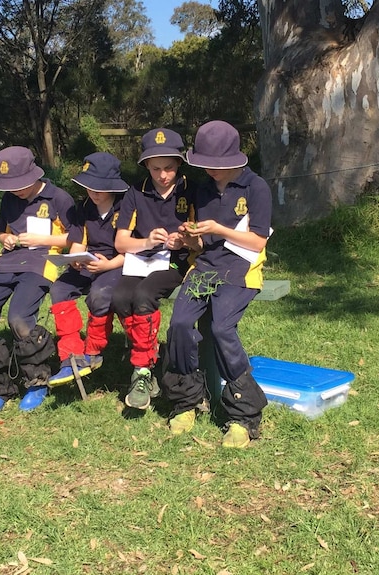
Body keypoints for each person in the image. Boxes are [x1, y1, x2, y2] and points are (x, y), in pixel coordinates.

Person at [161, 120, 271, 448]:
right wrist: (185, 240)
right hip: (205, 268)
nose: (211, 172)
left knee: (223, 328)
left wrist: (220, 229)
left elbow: (258, 242)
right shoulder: (203, 188)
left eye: (217, 166)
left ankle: (243, 414)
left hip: (241, 269)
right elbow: (201, 246)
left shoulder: (256, 188)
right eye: (205, 166)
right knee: (179, 323)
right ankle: (187, 401)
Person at [0, 146, 75, 414]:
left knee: (19, 320)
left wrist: (43, 240)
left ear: (35, 174)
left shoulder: (59, 198)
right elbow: (2, 233)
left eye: (21, 184)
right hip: (7, 261)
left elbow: (77, 238)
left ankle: (37, 380)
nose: (16, 191)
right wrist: (8, 239)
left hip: (42, 263)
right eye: (10, 186)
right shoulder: (9, 199)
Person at [112, 128, 195, 410]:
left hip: (175, 262)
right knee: (120, 297)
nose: (162, 175)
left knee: (145, 293)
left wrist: (182, 239)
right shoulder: (136, 192)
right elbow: (121, 242)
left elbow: (200, 239)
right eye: (156, 168)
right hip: (140, 259)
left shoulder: (192, 190)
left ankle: (142, 370)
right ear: (146, 165)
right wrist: (146, 240)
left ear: (179, 164)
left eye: (169, 168)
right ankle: (148, 354)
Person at [48, 152, 129, 386]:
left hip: (117, 262)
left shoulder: (126, 206)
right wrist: (75, 257)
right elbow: (78, 239)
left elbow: (132, 250)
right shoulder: (83, 206)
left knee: (100, 295)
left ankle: (93, 350)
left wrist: (109, 264)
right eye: (88, 187)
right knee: (60, 289)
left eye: (99, 188)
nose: (93, 192)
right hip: (88, 261)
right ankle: (70, 355)